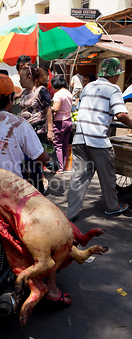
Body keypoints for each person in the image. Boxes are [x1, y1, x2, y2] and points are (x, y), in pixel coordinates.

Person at [0, 74, 69, 305]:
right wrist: (51, 162)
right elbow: (39, 156)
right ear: (10, 99)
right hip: (7, 193)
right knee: (50, 228)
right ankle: (51, 290)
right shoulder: (18, 124)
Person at [67, 58, 132, 221]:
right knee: (108, 175)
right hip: (97, 140)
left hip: (80, 138)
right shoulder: (114, 88)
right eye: (118, 74)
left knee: (78, 178)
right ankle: (112, 206)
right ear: (114, 74)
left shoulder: (89, 86)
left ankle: (71, 213)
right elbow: (120, 114)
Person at [18, 64, 54, 192]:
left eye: (21, 78)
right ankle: (30, 187)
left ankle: (38, 188)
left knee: (34, 161)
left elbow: (48, 111)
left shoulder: (41, 91)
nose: (19, 81)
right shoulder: (24, 93)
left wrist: (50, 131)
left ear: (29, 77)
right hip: (24, 131)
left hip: (37, 131)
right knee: (25, 162)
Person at [51, 75, 73, 173]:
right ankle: (63, 167)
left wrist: (48, 108)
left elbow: (56, 108)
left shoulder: (58, 94)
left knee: (58, 145)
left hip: (60, 122)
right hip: (68, 121)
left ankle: (60, 168)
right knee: (64, 145)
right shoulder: (69, 93)